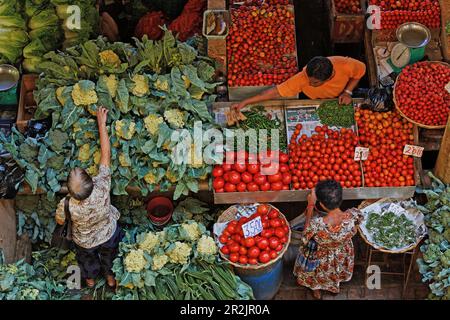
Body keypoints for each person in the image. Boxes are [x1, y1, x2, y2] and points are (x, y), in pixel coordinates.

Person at [55, 106, 123, 288]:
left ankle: (90, 281)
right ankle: (110, 278)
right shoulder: (102, 186)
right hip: (108, 233)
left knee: (87, 261)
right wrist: (101, 122)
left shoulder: (66, 204)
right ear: (92, 180)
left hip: (84, 241)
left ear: (70, 191)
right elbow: (106, 154)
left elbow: (60, 221)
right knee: (110, 256)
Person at [293, 180, 361, 299]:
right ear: (341, 200)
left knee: (317, 274)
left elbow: (305, 236)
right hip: (341, 252)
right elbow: (357, 224)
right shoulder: (353, 215)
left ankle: (317, 291)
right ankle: (334, 287)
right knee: (335, 271)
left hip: (321, 256)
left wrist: (310, 205)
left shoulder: (317, 225)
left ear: (322, 205)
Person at [232, 56, 366, 112]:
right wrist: (246, 102)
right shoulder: (302, 78)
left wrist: (347, 92)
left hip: (338, 97)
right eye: (309, 78)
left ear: (328, 78)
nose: (309, 83)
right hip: (312, 99)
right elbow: (274, 92)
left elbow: (359, 73)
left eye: (314, 82)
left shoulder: (346, 65)